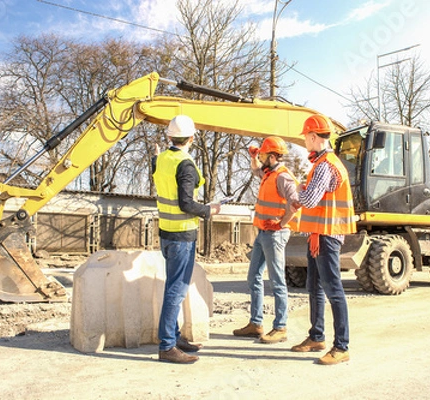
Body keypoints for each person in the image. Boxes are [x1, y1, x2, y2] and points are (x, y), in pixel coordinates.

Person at [152, 115, 221, 364]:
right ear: (192, 138)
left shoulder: (161, 160)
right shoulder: (186, 164)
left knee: (172, 287)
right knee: (177, 290)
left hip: (167, 233)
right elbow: (186, 203)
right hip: (182, 235)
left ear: (170, 136)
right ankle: (167, 346)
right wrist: (209, 209)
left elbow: (160, 174)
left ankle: (174, 336)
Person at [290, 114, 356, 365]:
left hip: (327, 235)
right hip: (319, 233)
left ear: (314, 137)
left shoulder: (326, 165)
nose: (304, 141)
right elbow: (316, 202)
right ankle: (316, 336)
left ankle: (341, 346)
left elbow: (309, 200)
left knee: (333, 290)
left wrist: (295, 187)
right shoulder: (323, 163)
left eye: (306, 136)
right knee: (314, 287)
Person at [232, 137, 300, 344]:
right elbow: (255, 170)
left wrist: (281, 223)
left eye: (262, 155)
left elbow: (295, 203)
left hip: (275, 234)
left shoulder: (283, 177)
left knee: (277, 281)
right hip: (263, 233)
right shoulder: (268, 173)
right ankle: (256, 323)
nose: (260, 158)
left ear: (272, 156)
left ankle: (280, 327)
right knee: (254, 277)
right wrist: (254, 157)